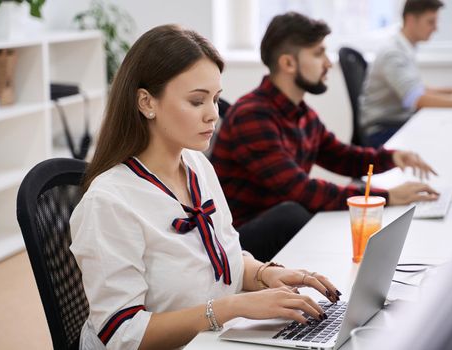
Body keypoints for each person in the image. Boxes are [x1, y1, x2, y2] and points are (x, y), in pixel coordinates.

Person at [70, 25, 342, 350]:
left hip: (212, 340)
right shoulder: (109, 201)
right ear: (146, 103)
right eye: (197, 101)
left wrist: (266, 274)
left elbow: (224, 258)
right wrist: (233, 307)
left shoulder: (197, 166)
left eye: (215, 99)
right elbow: (122, 334)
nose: (213, 114)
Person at [210, 11, 438, 248]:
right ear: (288, 63)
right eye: (318, 53)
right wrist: (386, 197)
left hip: (280, 225)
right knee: (295, 213)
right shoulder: (252, 117)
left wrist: (392, 157)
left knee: (317, 213)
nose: (328, 63)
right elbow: (299, 190)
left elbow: (342, 157)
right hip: (241, 242)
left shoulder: (301, 113)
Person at [359, 0, 452, 147]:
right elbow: (417, 99)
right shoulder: (393, 53)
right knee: (450, 139)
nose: (436, 28)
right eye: (430, 22)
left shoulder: (404, 48)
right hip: (382, 131)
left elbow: (417, 89)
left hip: (396, 123)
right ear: (411, 20)